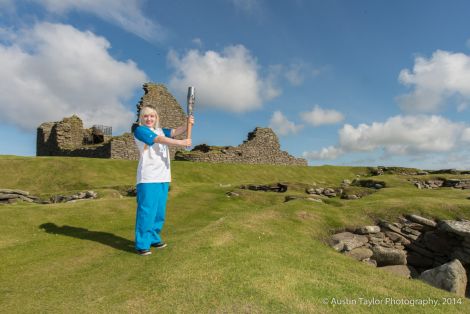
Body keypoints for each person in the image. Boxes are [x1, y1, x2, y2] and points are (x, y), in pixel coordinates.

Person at [133, 106, 193, 256]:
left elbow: (174, 132)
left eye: (152, 116)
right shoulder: (140, 130)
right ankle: (142, 244)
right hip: (148, 177)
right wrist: (181, 143)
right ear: (142, 117)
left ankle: (153, 238)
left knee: (159, 211)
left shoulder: (159, 130)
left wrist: (187, 124)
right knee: (147, 211)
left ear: (156, 117)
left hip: (163, 176)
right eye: (146, 116)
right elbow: (158, 140)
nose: (149, 119)